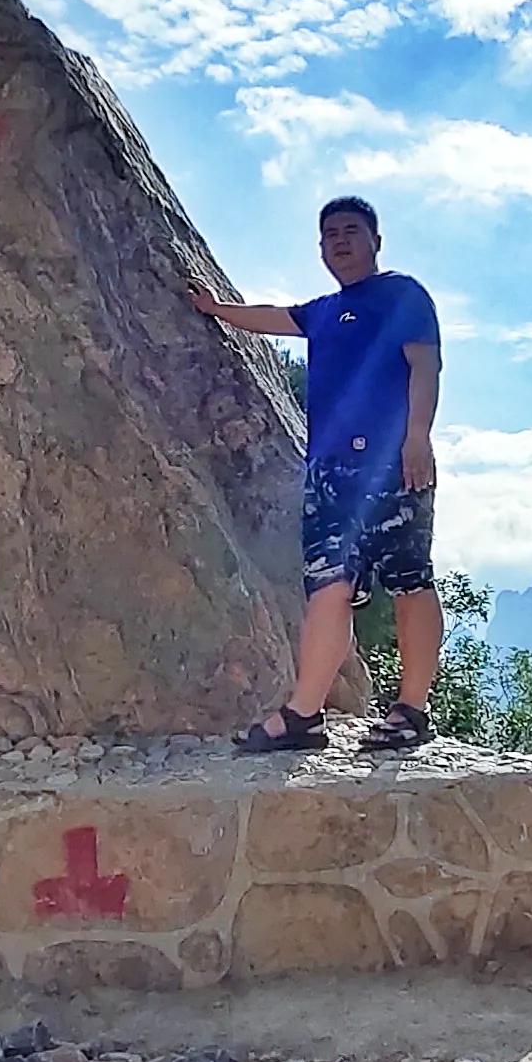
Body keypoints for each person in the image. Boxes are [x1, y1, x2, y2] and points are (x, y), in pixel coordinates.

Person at [190, 194, 443, 753]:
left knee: (409, 581)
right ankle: (305, 715)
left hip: (393, 464)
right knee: (328, 585)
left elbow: (425, 365)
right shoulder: (324, 311)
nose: (340, 243)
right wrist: (213, 309)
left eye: (351, 231)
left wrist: (417, 436)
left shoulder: (403, 295)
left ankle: (411, 710)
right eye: (329, 235)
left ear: (376, 239)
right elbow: (272, 318)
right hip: (329, 475)